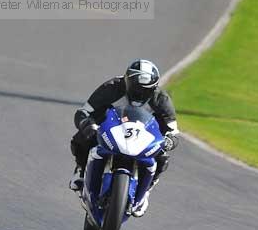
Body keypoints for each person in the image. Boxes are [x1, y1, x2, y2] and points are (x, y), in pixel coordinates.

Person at [69, 59, 179, 217]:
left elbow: (174, 131)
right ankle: (80, 170)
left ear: (154, 87)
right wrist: (88, 125)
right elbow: (83, 112)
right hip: (111, 129)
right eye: (135, 88)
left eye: (145, 90)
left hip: (143, 136)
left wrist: (169, 140)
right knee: (82, 138)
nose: (140, 93)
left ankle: (146, 190)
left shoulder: (161, 99)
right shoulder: (112, 88)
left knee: (162, 157)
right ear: (127, 81)